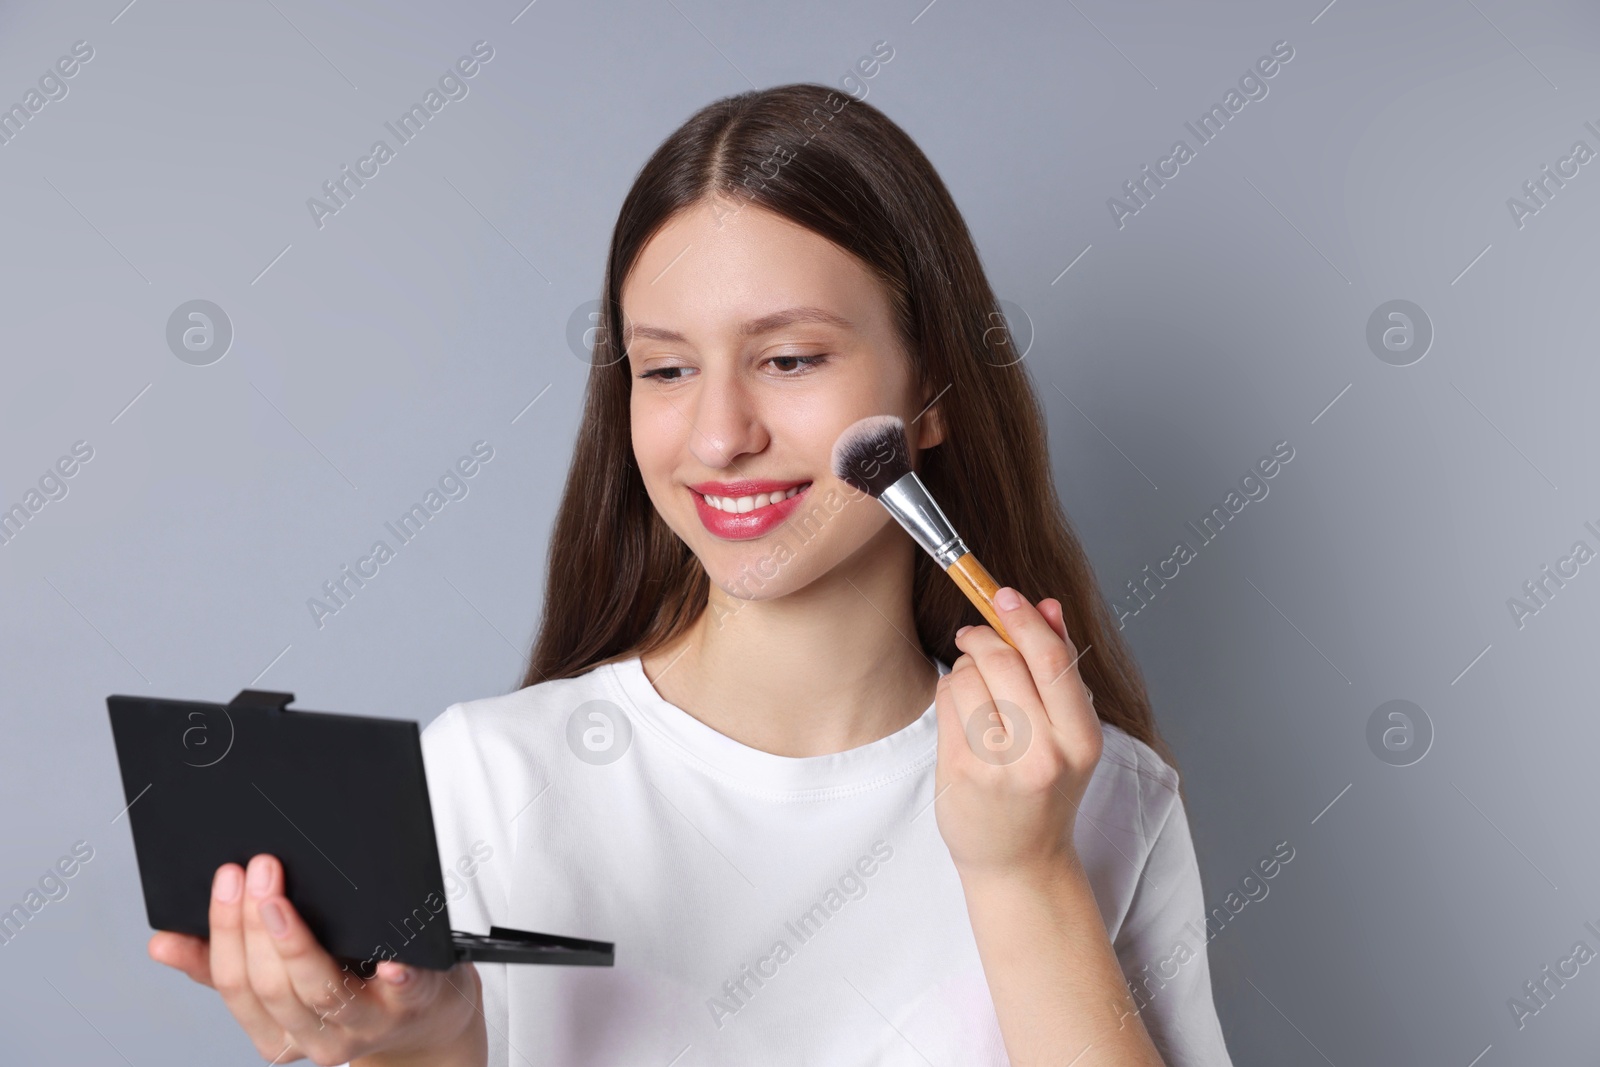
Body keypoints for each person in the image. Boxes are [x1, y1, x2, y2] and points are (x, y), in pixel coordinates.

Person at [150, 82, 1235, 1067]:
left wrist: (1024, 871)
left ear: (933, 387)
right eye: (666, 368)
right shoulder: (484, 778)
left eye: (790, 358)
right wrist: (425, 1049)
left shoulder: (1103, 797)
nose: (718, 435)